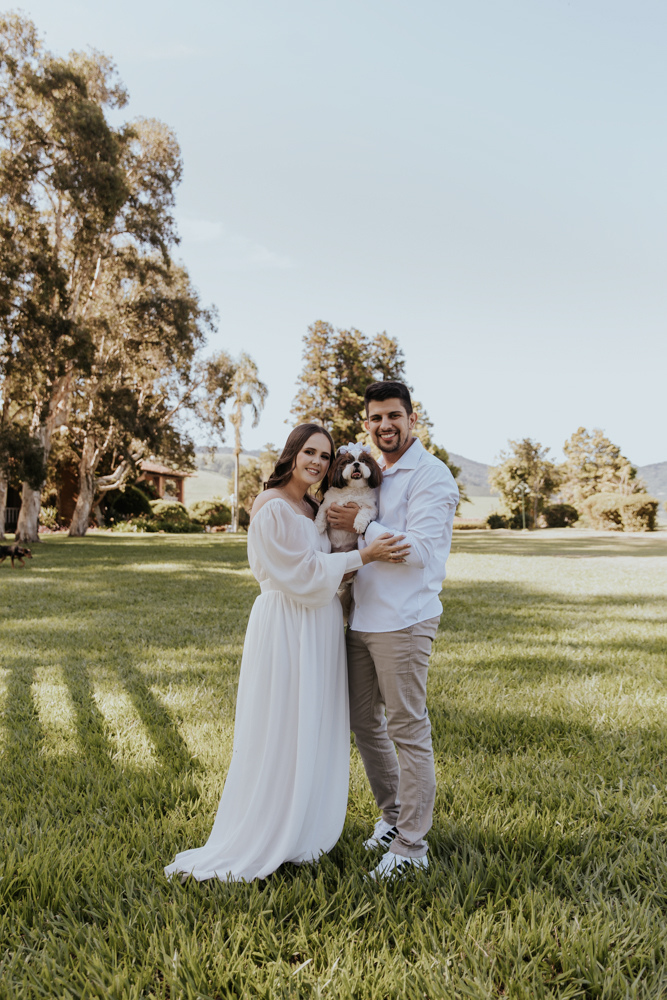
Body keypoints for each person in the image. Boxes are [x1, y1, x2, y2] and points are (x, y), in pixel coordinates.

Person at [164, 423, 409, 883]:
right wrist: (365, 556)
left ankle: (303, 827)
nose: (317, 462)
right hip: (286, 623)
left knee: (312, 724)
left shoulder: (315, 506)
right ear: (292, 453)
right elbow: (299, 572)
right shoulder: (270, 503)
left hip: (320, 625)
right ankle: (267, 827)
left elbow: (327, 564)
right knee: (281, 723)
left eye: (325, 455)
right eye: (309, 452)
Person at [327, 381, 459, 880]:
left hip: (404, 619)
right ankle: (392, 817)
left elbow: (419, 551)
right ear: (367, 424)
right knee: (364, 722)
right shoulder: (374, 471)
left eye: (394, 416)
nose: (385, 425)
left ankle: (411, 847)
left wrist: (362, 524)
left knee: (407, 728)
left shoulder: (431, 475)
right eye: (376, 418)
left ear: (412, 420)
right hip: (361, 617)